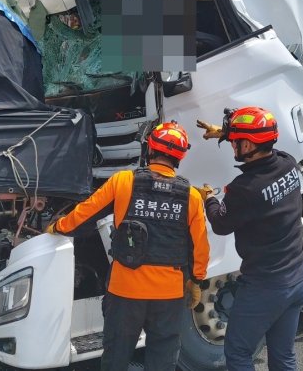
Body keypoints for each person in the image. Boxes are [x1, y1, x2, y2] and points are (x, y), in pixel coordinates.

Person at [46, 121, 210, 371]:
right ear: (180, 156)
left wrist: (58, 226)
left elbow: (83, 216)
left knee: (116, 357)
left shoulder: (123, 181)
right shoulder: (192, 196)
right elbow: (200, 246)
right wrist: (196, 280)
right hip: (169, 294)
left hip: (125, 291)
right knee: (163, 359)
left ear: (150, 148)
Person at [196, 107, 303, 371]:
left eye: (236, 140)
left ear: (247, 144)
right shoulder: (288, 162)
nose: (233, 144)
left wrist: (209, 198)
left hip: (266, 287)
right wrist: (224, 132)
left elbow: (222, 224)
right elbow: (262, 141)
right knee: (283, 355)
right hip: (298, 278)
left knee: (238, 353)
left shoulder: (245, 188)